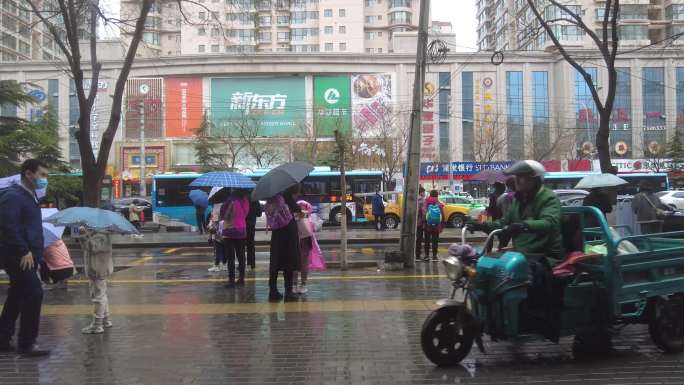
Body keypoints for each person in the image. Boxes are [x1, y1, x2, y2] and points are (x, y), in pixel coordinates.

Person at [0, 159, 50, 356]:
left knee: (17, 294)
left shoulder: (31, 197)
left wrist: (40, 256)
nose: (44, 179)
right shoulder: (13, 196)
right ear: (29, 174)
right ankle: (27, 343)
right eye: (42, 175)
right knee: (34, 293)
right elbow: (8, 226)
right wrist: (23, 250)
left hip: (30, 255)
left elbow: (30, 228)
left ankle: (3, 338)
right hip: (17, 255)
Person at [471, 160, 563, 265]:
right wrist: (481, 226)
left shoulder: (549, 198)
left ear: (534, 179)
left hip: (544, 256)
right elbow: (504, 222)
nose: (517, 181)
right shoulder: (518, 200)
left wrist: (524, 225)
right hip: (521, 254)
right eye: (516, 177)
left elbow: (550, 222)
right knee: (484, 264)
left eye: (521, 177)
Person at [264, 185, 301, 302]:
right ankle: (288, 292)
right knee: (288, 263)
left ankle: (273, 291)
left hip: (276, 235)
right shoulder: (287, 197)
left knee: (275, 263)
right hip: (288, 234)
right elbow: (297, 209)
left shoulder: (272, 198)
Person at [76, 226, 114, 334]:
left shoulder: (101, 235)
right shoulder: (99, 233)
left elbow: (92, 248)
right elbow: (88, 247)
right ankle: (106, 320)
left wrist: (83, 235)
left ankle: (97, 325)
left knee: (98, 297)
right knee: (102, 295)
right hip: (99, 269)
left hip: (97, 269)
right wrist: (86, 235)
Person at [221, 189, 250, 287]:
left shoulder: (230, 200)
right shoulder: (245, 200)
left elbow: (224, 215)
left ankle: (231, 280)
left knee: (231, 257)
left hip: (230, 230)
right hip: (242, 230)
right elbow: (246, 214)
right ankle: (241, 279)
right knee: (241, 256)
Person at [294, 200, 323, 294]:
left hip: (301, 241)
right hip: (304, 241)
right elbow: (315, 227)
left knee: (299, 264)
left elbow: (315, 227)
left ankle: (297, 285)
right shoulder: (309, 217)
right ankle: (301, 285)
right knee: (302, 264)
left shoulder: (293, 217)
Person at [423, 190, 446, 261]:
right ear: (437, 195)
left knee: (427, 241)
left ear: (430, 194)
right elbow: (442, 215)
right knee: (435, 241)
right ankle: (434, 256)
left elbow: (424, 212)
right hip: (436, 226)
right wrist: (442, 226)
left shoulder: (426, 202)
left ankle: (426, 255)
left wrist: (424, 222)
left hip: (427, 225)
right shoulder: (439, 203)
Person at [207, 201, 226, 272]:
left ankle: (216, 266)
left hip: (218, 235)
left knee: (217, 251)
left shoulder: (216, 207)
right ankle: (224, 265)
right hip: (225, 233)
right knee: (224, 250)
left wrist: (210, 235)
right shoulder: (226, 204)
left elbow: (213, 223)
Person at [246, 198, 262, 270]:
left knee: (241, 245)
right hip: (251, 224)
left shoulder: (243, 198)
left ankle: (242, 263)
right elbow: (259, 213)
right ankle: (251, 263)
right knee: (251, 244)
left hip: (242, 224)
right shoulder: (255, 199)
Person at [415, 187, 427, 262]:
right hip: (420, 223)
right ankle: (418, 255)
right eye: (424, 192)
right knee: (419, 239)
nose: (424, 193)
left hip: (414, 223)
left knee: (415, 239)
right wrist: (425, 220)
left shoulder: (414, 199)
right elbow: (424, 213)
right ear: (421, 192)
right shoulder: (421, 200)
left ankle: (415, 254)